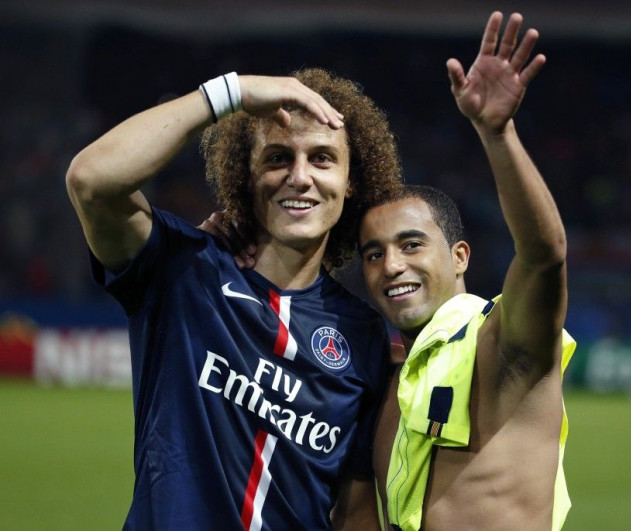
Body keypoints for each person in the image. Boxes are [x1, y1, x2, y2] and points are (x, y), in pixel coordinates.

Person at [66, 67, 402, 529]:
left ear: (350, 184)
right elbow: (91, 180)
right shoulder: (184, 270)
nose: (300, 177)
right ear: (246, 175)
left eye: (322, 159)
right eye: (279, 158)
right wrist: (231, 93)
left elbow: (355, 507)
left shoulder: (362, 334)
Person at [359, 12, 575, 531]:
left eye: (411, 244)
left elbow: (544, 255)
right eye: (372, 253)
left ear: (459, 257)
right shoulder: (384, 379)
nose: (392, 265)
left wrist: (497, 134)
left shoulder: (503, 343)